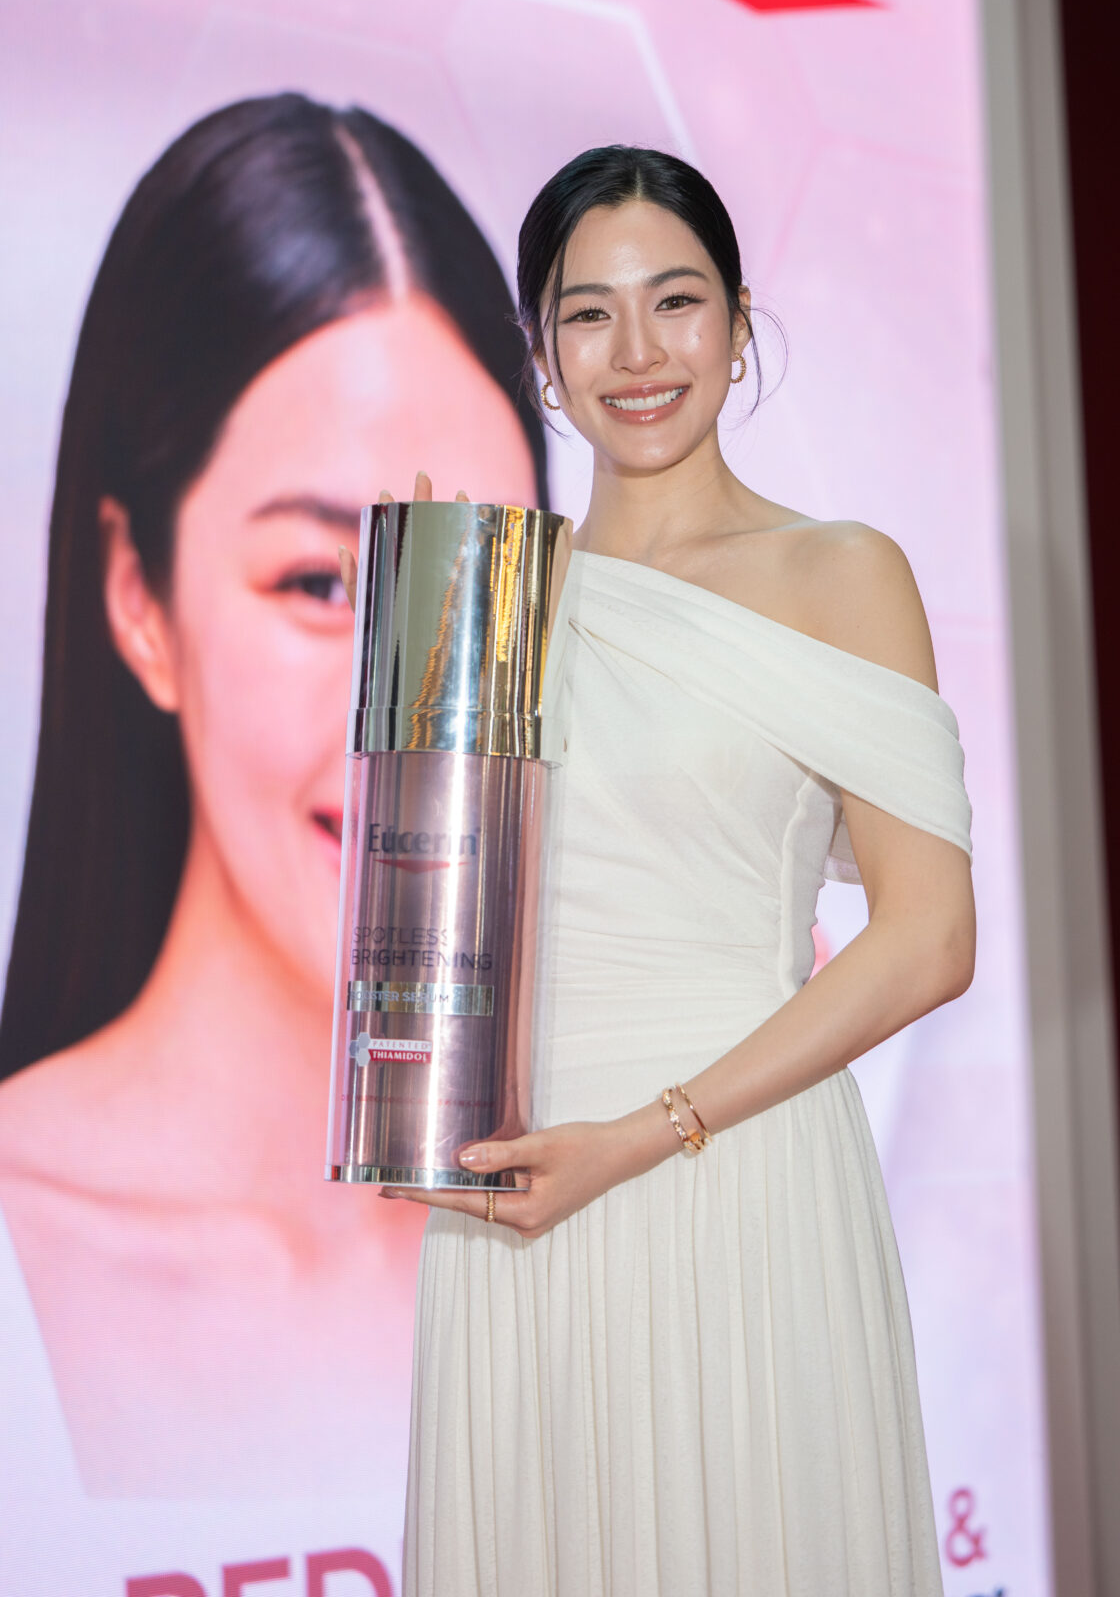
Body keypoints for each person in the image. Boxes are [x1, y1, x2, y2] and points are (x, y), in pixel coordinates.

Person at [381, 145, 977, 1596]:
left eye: (677, 301)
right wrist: (411, 662)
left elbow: (928, 940)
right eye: (589, 315)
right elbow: (431, 937)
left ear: (739, 321)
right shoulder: (488, 597)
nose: (638, 353)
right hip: (519, 1198)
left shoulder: (840, 571)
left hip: (737, 1168)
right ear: (540, 354)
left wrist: (648, 1134)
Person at [0, 94, 544, 1496]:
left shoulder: (590, 1213)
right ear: (139, 596)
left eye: (474, 585)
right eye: (318, 582)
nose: (418, 721)